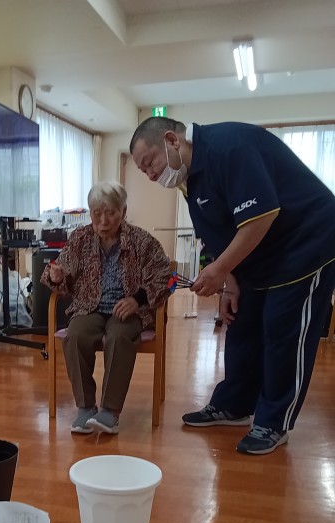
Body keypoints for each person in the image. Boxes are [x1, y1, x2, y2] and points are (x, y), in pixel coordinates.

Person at [130, 117, 335, 455]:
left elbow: (262, 215)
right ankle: (234, 405)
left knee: (282, 327)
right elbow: (218, 234)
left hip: (304, 241)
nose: (151, 175)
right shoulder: (189, 180)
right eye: (143, 171)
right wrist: (229, 283)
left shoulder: (229, 148)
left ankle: (274, 422)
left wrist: (220, 269)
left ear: (171, 140)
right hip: (260, 252)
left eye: (149, 162)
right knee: (240, 322)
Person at [40, 180, 172, 434]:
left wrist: (137, 299)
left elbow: (167, 277)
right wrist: (56, 276)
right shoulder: (80, 238)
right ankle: (86, 408)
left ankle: (110, 411)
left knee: (119, 336)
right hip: (88, 306)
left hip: (128, 310)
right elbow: (59, 271)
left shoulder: (142, 241)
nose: (103, 221)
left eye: (110, 213)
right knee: (75, 335)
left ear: (123, 212)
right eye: (96, 213)